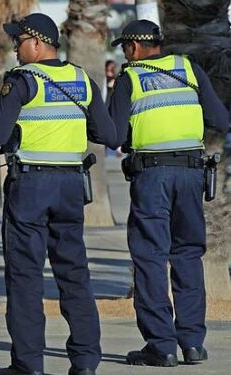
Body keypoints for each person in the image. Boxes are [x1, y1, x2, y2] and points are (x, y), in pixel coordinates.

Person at [0, 13, 119, 375]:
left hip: (30, 186)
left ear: (37, 43)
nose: (15, 49)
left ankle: (28, 365)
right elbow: (109, 134)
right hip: (71, 187)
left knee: (25, 278)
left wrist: (16, 135)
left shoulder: (23, 81)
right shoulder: (81, 78)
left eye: (18, 42)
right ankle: (86, 361)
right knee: (75, 274)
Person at [108, 20, 229, 367]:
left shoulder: (130, 78)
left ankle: (161, 345)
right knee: (188, 256)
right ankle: (192, 343)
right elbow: (220, 119)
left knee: (149, 258)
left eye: (124, 48)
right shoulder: (187, 69)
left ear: (133, 47)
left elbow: (115, 136)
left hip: (152, 177)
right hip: (191, 173)